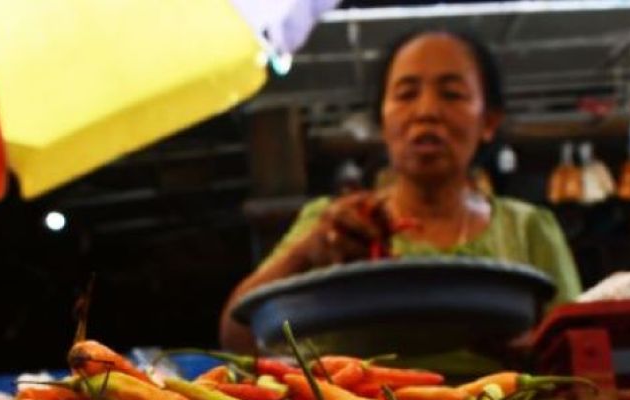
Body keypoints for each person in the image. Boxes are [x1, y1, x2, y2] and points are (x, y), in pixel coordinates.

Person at [220, 29, 582, 353]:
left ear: (488, 121)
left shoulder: (529, 229)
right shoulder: (332, 226)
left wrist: (529, 350)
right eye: (406, 94)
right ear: (382, 119)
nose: (426, 111)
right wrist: (308, 252)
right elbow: (238, 336)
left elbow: (584, 347)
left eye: (452, 94)